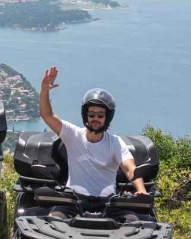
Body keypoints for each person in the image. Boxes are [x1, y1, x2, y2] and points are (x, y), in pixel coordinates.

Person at [36, 67, 146, 208]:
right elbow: (48, 115)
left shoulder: (115, 143)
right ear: (85, 115)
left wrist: (141, 190)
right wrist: (44, 90)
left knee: (133, 222)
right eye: (91, 114)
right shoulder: (72, 135)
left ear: (107, 117)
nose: (95, 118)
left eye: (100, 115)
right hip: (73, 202)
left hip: (108, 204)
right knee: (53, 219)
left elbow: (130, 169)